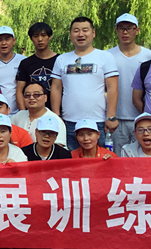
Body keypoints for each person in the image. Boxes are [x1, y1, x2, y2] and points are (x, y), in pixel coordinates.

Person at [50, 17, 119, 152]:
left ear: (93, 33)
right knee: (71, 160)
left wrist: (111, 116)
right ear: (71, 34)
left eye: (85, 30)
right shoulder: (61, 59)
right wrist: (56, 117)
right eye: (76, 31)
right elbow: (56, 88)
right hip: (69, 122)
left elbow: (112, 88)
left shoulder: (105, 57)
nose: (80, 34)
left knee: (99, 160)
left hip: (98, 122)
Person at [20, 114, 72, 249]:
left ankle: (56, 237)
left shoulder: (64, 155)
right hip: (30, 193)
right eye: (43, 132)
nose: (47, 137)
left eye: (51, 134)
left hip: (54, 195)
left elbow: (66, 181)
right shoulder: (24, 152)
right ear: (36, 132)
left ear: (56, 136)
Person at [106, 14, 151, 154]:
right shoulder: (108, 56)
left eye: (129, 28)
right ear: (116, 30)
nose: (125, 32)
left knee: (141, 157)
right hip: (116, 119)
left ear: (137, 30)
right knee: (117, 157)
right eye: (121, 28)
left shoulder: (149, 56)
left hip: (141, 117)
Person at [15, 22, 59, 110]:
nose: (40, 39)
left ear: (49, 37)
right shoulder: (25, 63)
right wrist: (23, 113)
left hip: (56, 112)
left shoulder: (60, 60)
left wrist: (57, 114)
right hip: (32, 112)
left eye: (43, 35)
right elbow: (19, 91)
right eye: (36, 36)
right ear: (31, 39)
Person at [12, 82, 67, 147]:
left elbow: (58, 147)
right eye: (27, 95)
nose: (31, 98)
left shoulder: (55, 119)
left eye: (36, 95)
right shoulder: (19, 115)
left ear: (45, 97)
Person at [0, 26, 25, 113]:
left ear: (14, 41)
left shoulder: (23, 61)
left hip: (19, 112)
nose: (4, 43)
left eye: (7, 39)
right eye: (0, 40)